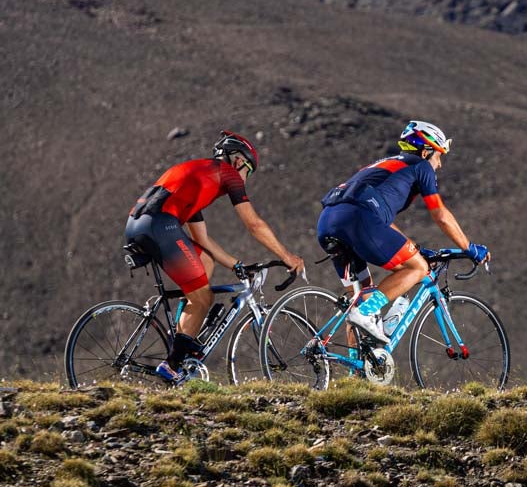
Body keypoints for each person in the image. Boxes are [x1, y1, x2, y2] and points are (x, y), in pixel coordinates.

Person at [126, 130, 306, 383]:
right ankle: (173, 364)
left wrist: (237, 265)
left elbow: (202, 240)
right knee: (204, 297)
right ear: (238, 161)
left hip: (138, 225)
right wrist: (288, 256)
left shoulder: (197, 175)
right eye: (249, 171)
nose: (246, 178)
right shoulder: (228, 173)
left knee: (205, 262)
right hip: (160, 225)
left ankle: (184, 336)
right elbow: (253, 224)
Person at [316, 120, 489, 343]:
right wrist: (469, 247)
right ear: (426, 151)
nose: (440, 164)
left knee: (360, 297)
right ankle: (365, 314)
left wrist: (414, 248)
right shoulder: (421, 166)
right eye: (439, 156)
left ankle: (357, 368)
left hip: (328, 221)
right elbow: (441, 215)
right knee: (418, 267)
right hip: (360, 219)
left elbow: (382, 221)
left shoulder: (385, 164)